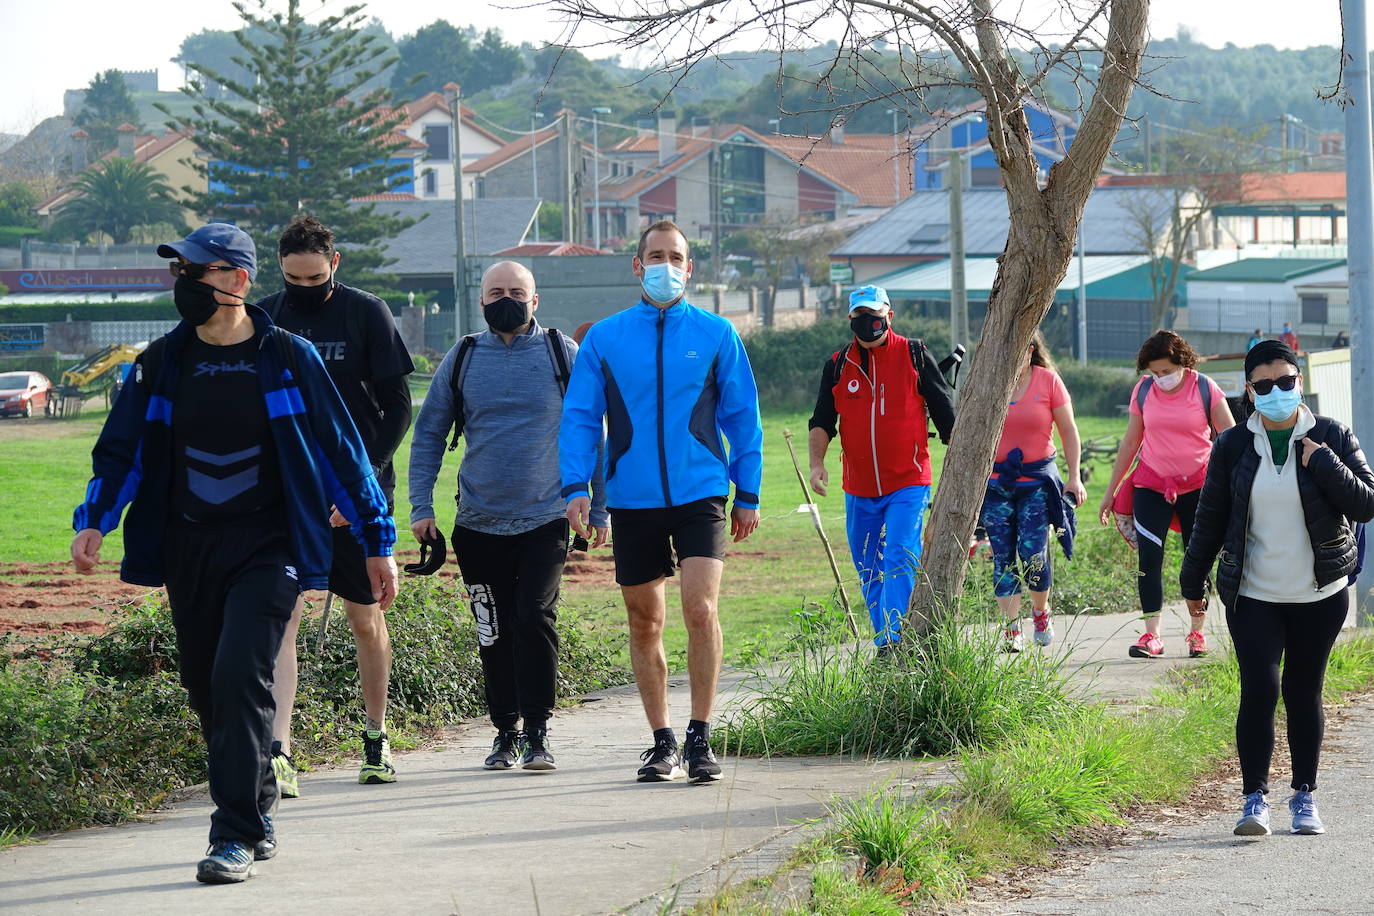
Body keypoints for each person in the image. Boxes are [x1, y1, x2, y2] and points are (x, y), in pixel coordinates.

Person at [69, 223, 398, 884]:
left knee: (238, 672)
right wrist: (96, 520)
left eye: (197, 271)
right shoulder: (159, 361)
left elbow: (342, 452)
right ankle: (258, 799)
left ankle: (234, 835)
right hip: (188, 547)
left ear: (239, 281)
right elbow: (121, 449)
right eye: (179, 272)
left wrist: (376, 538)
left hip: (270, 544)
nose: (183, 284)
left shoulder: (288, 356)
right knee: (205, 688)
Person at [560, 219, 764, 784]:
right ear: (636, 264)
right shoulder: (604, 337)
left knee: (701, 609)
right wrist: (577, 486)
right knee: (645, 620)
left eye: (676, 257)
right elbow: (579, 417)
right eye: (655, 255)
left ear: (689, 267)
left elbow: (742, 417)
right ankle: (662, 740)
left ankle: (701, 737)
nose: (665, 266)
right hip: (632, 497)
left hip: (702, 492)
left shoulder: (718, 333)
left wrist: (747, 491)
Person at [409, 260, 607, 771]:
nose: (507, 299)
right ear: (480, 299)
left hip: (546, 516)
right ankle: (505, 732)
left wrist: (600, 508)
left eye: (517, 292)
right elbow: (429, 432)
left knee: (533, 616)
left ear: (535, 300)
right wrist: (421, 507)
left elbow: (595, 435)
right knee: (491, 627)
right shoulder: (464, 357)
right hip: (476, 521)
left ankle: (539, 731)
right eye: (496, 291)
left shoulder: (564, 354)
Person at [1180, 339, 1374, 837]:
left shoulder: (1330, 434)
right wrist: (1192, 576)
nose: (1276, 391)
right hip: (1254, 594)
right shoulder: (1233, 446)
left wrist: (1323, 462)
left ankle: (1304, 797)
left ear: (1299, 382)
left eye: (1285, 381)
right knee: (1260, 689)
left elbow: (1366, 504)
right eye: (1263, 385)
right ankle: (1253, 800)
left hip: (1320, 594)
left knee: (1303, 690)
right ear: (1249, 389)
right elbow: (1210, 517)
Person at [260, 215, 414, 794]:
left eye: (314, 277)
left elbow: (398, 408)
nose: (304, 288)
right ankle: (281, 752)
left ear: (335, 263)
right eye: (292, 279)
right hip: (293, 494)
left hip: (360, 488)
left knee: (363, 617)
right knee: (284, 621)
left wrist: (359, 487)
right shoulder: (267, 317)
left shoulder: (365, 312)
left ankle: (375, 739)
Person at [806, 284, 955, 652]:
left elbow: (946, 414)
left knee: (901, 555)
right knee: (868, 566)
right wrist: (816, 464)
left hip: (908, 480)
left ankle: (894, 639)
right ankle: (887, 642)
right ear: (850, 318)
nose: (867, 321)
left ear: (889, 315)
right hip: (858, 487)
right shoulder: (837, 365)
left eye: (874, 313)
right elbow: (823, 419)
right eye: (860, 314)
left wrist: (964, 462)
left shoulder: (916, 354)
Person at [1097, 330, 1235, 659]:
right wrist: (1110, 491)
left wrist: (1234, 485)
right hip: (1151, 483)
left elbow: (1230, 437)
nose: (1161, 378)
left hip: (1199, 486)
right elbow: (1130, 442)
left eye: (1166, 371)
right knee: (1149, 558)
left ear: (1182, 363)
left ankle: (1196, 632)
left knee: (1196, 561)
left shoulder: (1205, 388)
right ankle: (1151, 635)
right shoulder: (1144, 391)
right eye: (1154, 372)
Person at [980, 331, 1086, 652]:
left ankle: (1041, 612)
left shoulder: (1048, 381)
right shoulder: (989, 383)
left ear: (1029, 350)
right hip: (996, 486)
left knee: (1033, 555)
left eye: (1018, 350)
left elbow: (1068, 430)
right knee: (1002, 558)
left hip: (1037, 484)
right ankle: (1011, 631)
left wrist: (1074, 477)